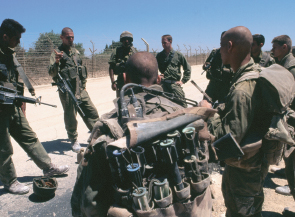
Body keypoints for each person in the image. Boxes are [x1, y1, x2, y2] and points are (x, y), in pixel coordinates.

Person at [71, 52, 186, 217]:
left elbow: (90, 204)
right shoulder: (181, 113)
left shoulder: (108, 126)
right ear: (159, 79)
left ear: (124, 78)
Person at [200, 26, 271, 217]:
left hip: (245, 171)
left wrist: (209, 113)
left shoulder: (242, 89)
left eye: (221, 46)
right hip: (248, 165)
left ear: (229, 46)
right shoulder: (253, 72)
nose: (220, 50)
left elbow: (229, 139)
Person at [0, 19, 69, 195]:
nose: (19, 42)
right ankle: (10, 181)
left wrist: (22, 99)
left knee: (29, 137)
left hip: (12, 105)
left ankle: (48, 167)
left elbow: (14, 78)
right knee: (3, 147)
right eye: (17, 38)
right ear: (5, 36)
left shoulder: (10, 53)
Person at [48, 27, 99, 152]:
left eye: (72, 37)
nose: (71, 39)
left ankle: (98, 134)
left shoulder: (75, 52)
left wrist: (84, 85)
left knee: (91, 112)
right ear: (62, 38)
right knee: (70, 116)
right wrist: (57, 61)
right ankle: (73, 139)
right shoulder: (56, 53)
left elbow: (81, 70)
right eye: (68, 37)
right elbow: (51, 73)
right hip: (67, 91)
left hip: (80, 88)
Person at [270, 35, 295, 216]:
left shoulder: (291, 68)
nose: (273, 50)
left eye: (276, 47)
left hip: (292, 120)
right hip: (288, 120)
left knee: (293, 163)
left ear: (284, 47)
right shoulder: (282, 65)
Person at [156, 34, 191, 107]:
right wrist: (158, 76)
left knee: (183, 105)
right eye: (162, 43)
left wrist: (183, 81)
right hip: (163, 85)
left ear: (170, 41)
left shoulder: (178, 55)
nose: (163, 45)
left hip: (174, 85)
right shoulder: (159, 56)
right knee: (162, 105)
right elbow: (154, 68)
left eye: (164, 42)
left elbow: (187, 68)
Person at [202, 31, 233, 106]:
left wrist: (223, 71)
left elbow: (236, 70)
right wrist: (206, 66)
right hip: (213, 84)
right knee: (204, 104)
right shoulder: (215, 52)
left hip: (226, 86)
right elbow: (206, 64)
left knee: (223, 107)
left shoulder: (233, 53)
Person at [108, 31, 136, 97]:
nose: (126, 41)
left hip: (133, 79)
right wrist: (113, 82)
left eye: (128, 39)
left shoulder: (134, 51)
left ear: (131, 40)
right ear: (121, 40)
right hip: (121, 80)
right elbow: (111, 67)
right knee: (121, 100)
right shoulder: (117, 51)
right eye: (124, 39)